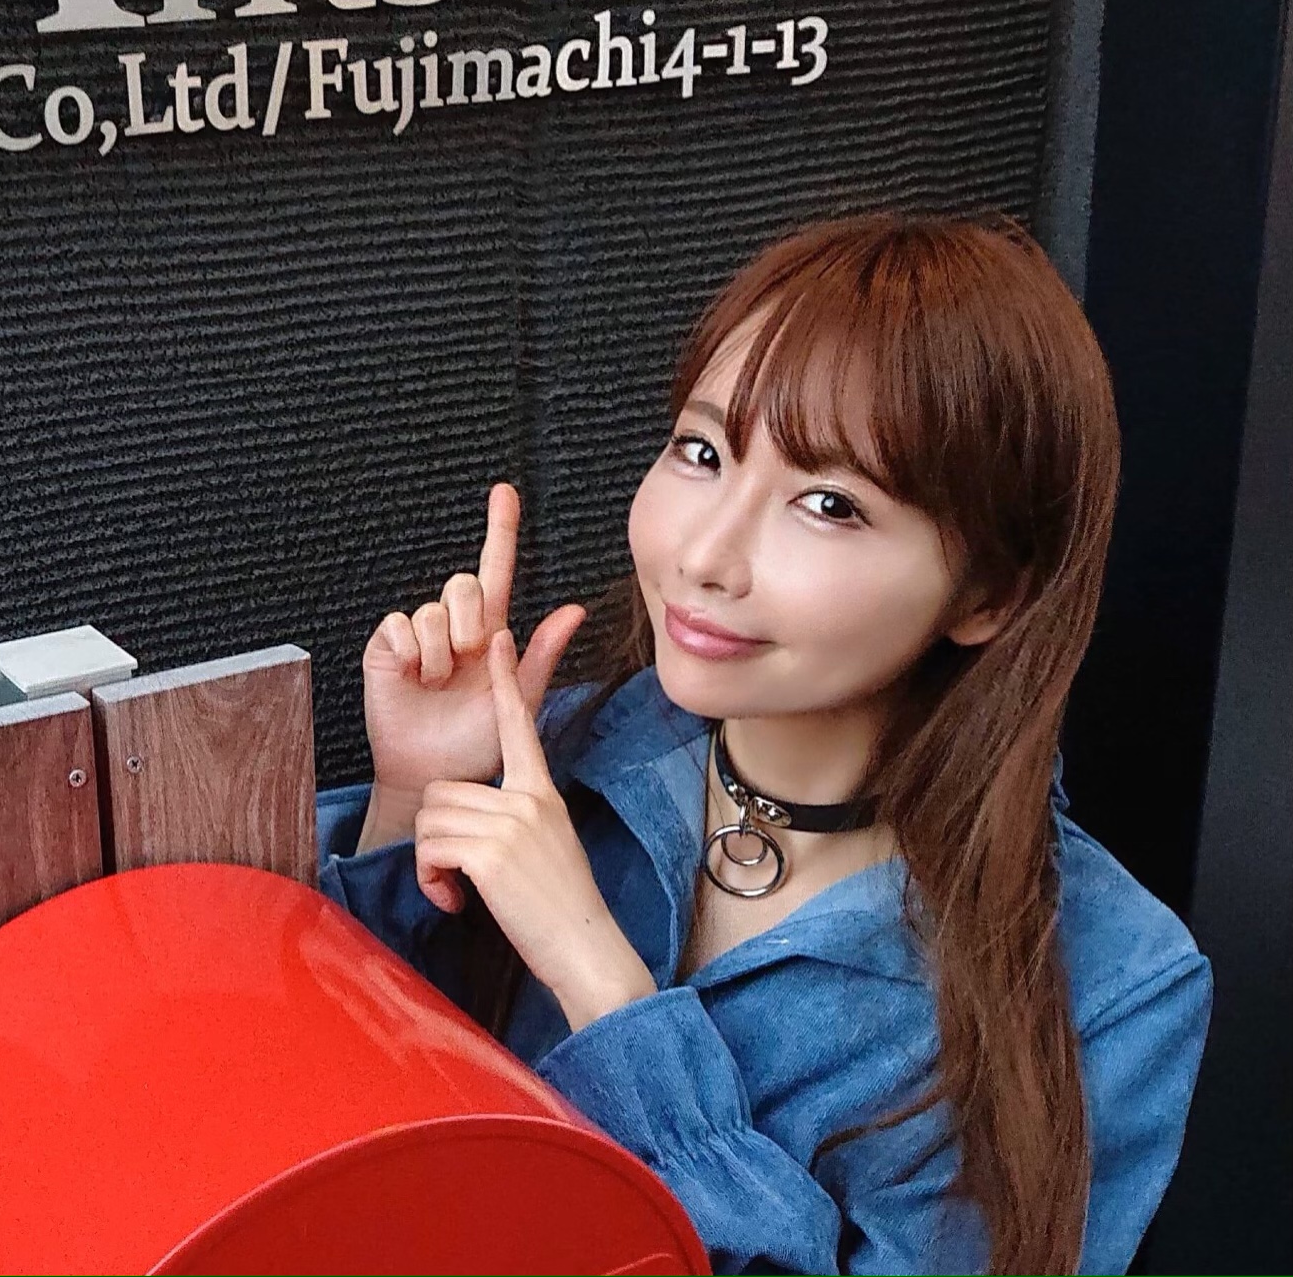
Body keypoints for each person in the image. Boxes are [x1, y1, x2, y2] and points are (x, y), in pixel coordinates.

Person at [315, 214, 1211, 1275]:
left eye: (829, 503)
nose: (706, 553)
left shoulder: (1104, 984)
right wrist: (416, 795)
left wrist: (607, 988)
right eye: (703, 452)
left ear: (989, 594)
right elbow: (338, 1134)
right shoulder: (567, 754)